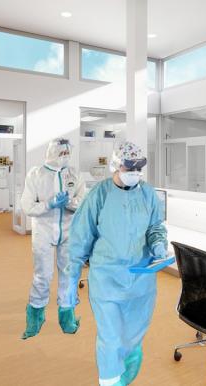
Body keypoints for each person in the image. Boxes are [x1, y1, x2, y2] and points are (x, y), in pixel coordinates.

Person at [65, 141, 168, 386]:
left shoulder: (147, 194)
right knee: (111, 339)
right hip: (107, 280)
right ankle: (109, 381)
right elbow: (80, 239)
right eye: (129, 167)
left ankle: (126, 374)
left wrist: (158, 245)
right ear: (115, 165)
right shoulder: (99, 195)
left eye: (138, 167)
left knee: (133, 336)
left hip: (140, 281)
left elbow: (155, 227)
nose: (134, 172)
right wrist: (70, 281)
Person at [20, 138, 86, 339]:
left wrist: (70, 204)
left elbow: (83, 201)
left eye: (67, 153)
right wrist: (48, 204)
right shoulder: (36, 174)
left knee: (68, 275)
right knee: (43, 276)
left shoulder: (74, 174)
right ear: (51, 153)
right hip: (44, 232)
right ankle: (35, 318)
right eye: (61, 153)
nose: (64, 157)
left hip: (69, 231)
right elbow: (27, 206)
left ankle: (67, 317)